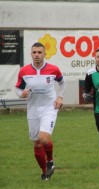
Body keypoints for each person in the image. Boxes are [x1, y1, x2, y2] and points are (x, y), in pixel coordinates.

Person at [15, 42, 66, 180]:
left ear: (44, 54)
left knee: (43, 138)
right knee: (37, 143)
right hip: (33, 110)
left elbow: (62, 83)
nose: (37, 55)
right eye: (34, 52)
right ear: (31, 54)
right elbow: (18, 89)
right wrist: (21, 94)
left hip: (50, 107)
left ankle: (50, 160)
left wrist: (60, 97)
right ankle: (45, 173)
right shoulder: (24, 71)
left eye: (39, 52)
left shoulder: (53, 69)